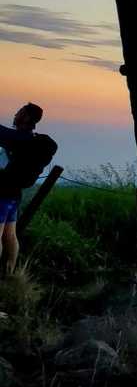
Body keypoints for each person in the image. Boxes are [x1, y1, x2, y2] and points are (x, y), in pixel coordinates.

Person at [0, 102, 57, 277]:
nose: (15, 114)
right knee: (10, 235)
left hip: (2, 193)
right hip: (14, 195)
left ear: (25, 117)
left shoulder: (19, 139)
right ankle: (9, 274)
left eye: (19, 112)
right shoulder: (33, 140)